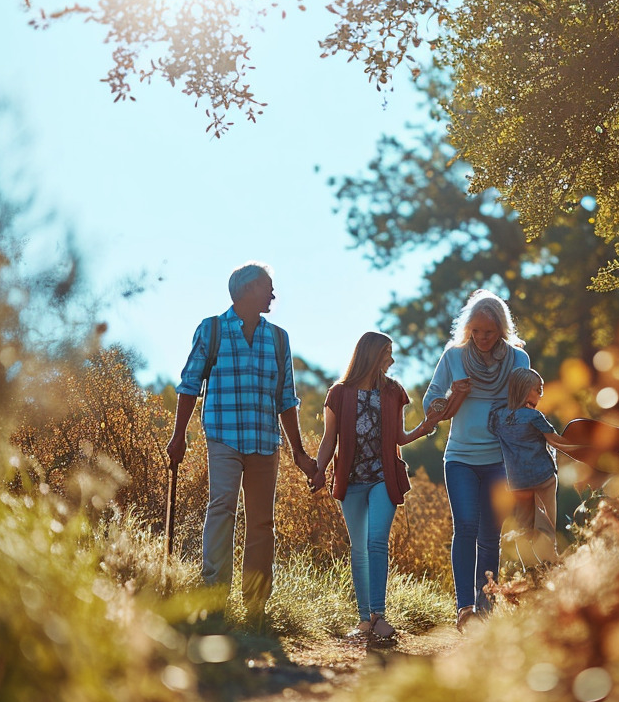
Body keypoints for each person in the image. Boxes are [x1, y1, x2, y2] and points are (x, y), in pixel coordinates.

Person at [167, 262, 318, 630]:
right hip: (223, 435)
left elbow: (287, 399)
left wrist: (298, 451)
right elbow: (189, 385)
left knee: (262, 521)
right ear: (248, 290)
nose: (273, 294)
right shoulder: (212, 330)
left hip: (265, 441)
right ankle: (214, 598)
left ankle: (255, 607)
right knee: (222, 508)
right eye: (268, 287)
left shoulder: (278, 338)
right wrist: (178, 435)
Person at [311, 332, 436, 640]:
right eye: (387, 353)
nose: (391, 360)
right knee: (359, 549)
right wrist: (318, 471)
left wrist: (425, 427)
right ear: (372, 354)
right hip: (350, 479)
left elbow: (399, 438)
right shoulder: (338, 393)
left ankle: (378, 615)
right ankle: (364, 619)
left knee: (377, 541)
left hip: (384, 476)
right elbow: (330, 439)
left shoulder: (394, 392)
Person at [423, 289, 530, 631]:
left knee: (490, 536)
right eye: (477, 332)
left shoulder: (517, 360)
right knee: (466, 527)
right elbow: (430, 401)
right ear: (468, 329)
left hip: (500, 458)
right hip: (460, 458)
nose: (483, 338)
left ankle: (486, 611)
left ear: (502, 329)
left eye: (490, 332)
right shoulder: (453, 356)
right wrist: (453, 395)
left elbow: (527, 404)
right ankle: (464, 607)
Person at [488, 367, 578, 568]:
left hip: (518, 482)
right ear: (525, 389)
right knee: (546, 527)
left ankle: (530, 569)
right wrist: (584, 450)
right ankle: (551, 567)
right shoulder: (533, 417)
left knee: (523, 528)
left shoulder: (497, 417)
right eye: (538, 390)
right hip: (543, 478)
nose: (541, 395)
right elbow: (557, 442)